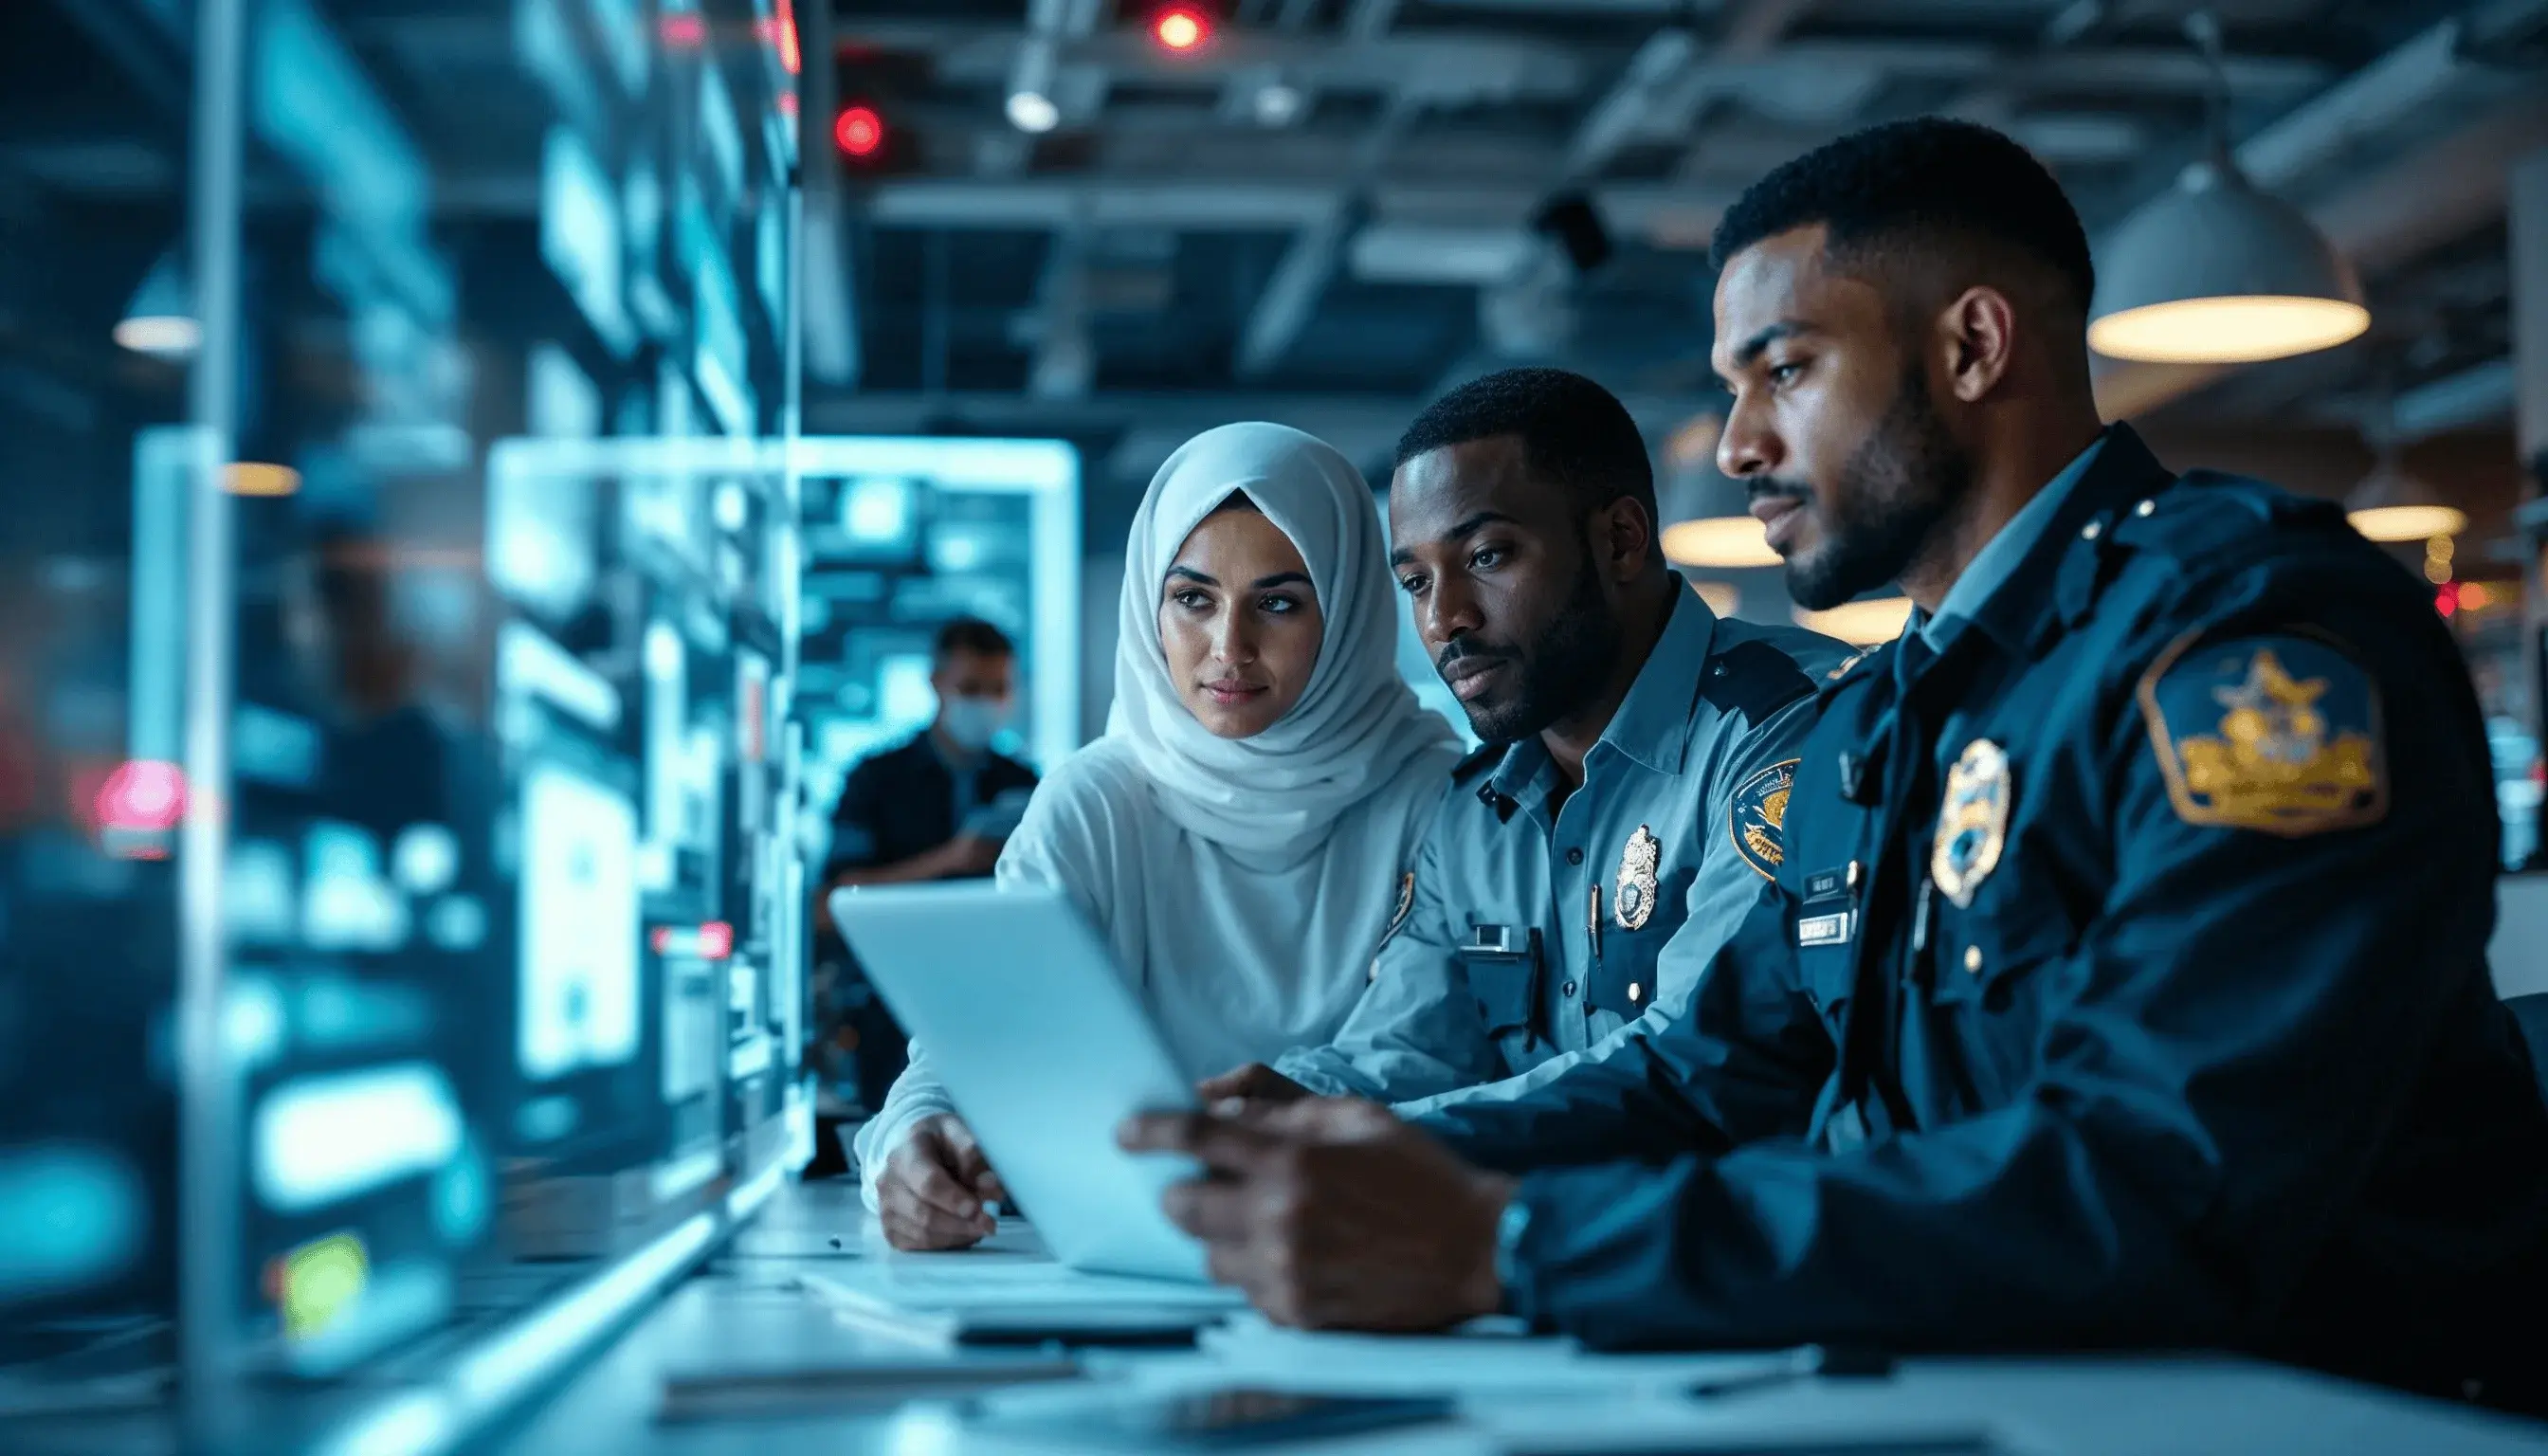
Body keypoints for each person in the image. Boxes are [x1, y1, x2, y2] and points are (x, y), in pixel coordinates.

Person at [1121, 117, 2548, 1409]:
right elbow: (1701, 1073)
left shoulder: (2252, 644)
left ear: (1974, 348)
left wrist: (1509, 1244)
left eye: (1785, 371)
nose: (1736, 444)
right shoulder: (1885, 720)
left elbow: (2157, 1183)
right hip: (1996, 1384)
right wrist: (1354, 1147)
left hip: (2307, 1410)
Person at [854, 422, 1462, 1250]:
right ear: (1152, 603)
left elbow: (1443, 1057)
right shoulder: (1094, 804)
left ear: (1350, 610)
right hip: (1117, 1253)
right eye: (1194, 599)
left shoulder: (1438, 798)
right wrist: (910, 1143)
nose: (1228, 650)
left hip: (1364, 1247)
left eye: (1278, 603)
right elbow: (977, 1043)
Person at [1200, 369, 1849, 1115]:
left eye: (1486, 557)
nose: (1446, 620)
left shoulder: (1785, 730)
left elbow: (1694, 1061)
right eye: (1415, 582)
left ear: (1621, 540)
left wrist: (1375, 1143)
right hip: (1536, 1227)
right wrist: (1275, 1110)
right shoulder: (1473, 813)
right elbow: (1409, 1052)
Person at [810, 618, 1040, 1138]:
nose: (984, 703)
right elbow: (831, 904)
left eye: (997, 690)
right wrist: (949, 860)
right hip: (888, 1005)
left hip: (993, 1005)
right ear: (936, 683)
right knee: (895, 1140)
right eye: (970, 689)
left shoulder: (1025, 783)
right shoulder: (875, 780)